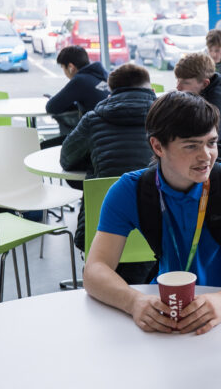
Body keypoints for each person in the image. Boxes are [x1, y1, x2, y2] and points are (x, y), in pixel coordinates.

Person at [84, 91, 221, 335]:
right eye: (191, 146)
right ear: (157, 146)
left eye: (211, 142)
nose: (206, 155)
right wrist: (133, 301)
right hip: (166, 308)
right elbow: (94, 270)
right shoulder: (130, 190)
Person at [60, 62, 157, 253]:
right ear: (151, 89)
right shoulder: (168, 117)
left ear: (110, 94)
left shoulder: (92, 119)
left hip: (104, 233)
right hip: (158, 231)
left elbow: (66, 159)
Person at [44, 45, 110, 144]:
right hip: (108, 135)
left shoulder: (80, 80)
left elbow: (51, 107)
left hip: (95, 139)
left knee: (44, 146)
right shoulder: (102, 75)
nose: (65, 72)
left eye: (63, 67)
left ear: (71, 67)